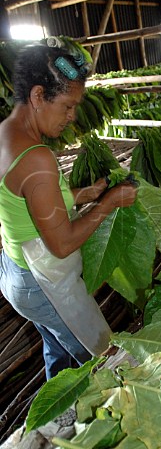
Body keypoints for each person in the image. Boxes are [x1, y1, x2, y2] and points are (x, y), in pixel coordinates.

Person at [0, 42, 137, 379]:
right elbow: (61, 243)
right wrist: (108, 203)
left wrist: (81, 195)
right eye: (67, 106)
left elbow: (24, 198)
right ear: (37, 96)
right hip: (43, 282)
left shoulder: (5, 133)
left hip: (15, 270)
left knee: (58, 346)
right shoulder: (36, 158)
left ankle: (56, 410)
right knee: (97, 360)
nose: (72, 116)